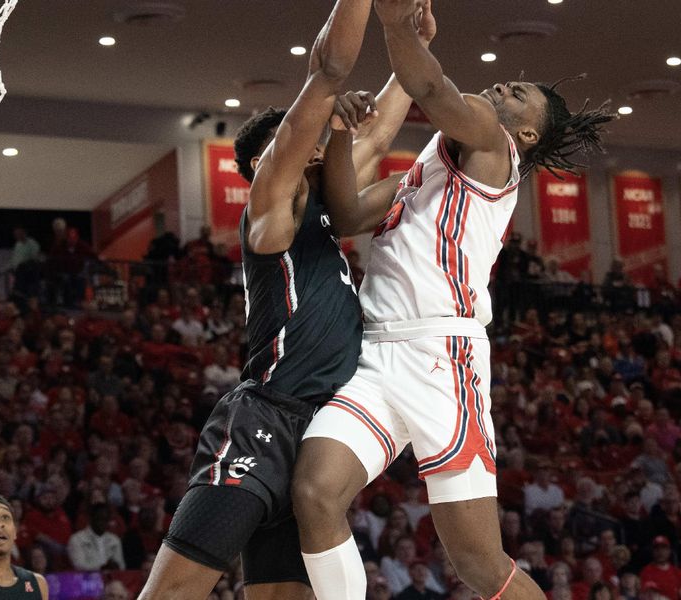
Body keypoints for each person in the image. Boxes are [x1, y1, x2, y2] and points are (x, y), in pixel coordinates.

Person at [291, 1, 614, 599]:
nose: (501, 87)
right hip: (376, 358)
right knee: (313, 491)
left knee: (479, 567)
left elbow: (431, 85)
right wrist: (339, 135)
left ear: (525, 134)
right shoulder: (430, 165)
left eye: (517, 93)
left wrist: (396, 25)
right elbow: (347, 212)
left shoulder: (496, 149)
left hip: (444, 360)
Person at [136, 0, 413, 597]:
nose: (317, 142)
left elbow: (382, 128)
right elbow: (327, 73)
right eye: (303, 136)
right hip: (264, 419)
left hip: (318, 437)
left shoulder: (322, 208)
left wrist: (406, 36)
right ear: (268, 161)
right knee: (174, 592)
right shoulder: (272, 212)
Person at [67, 503, 125, 572]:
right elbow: (79, 566)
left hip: (112, 579)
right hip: (86, 580)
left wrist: (115, 566)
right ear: (91, 518)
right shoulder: (77, 539)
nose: (103, 523)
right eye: (99, 518)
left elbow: (121, 566)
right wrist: (102, 568)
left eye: (106, 519)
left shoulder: (114, 540)